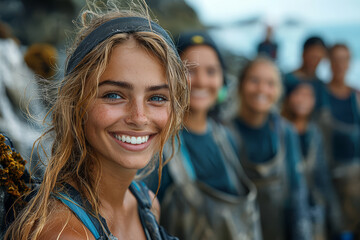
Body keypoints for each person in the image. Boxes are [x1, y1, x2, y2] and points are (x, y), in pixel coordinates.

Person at [4, 0, 189, 239]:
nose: (139, 117)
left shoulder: (146, 203)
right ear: (76, 104)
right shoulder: (64, 233)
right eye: (114, 95)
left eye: (157, 97)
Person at [145, 31, 262, 240]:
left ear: (222, 82)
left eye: (211, 71)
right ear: (170, 76)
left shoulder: (227, 136)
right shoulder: (158, 148)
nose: (201, 81)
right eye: (190, 70)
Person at [230, 57, 312, 240]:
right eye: (254, 81)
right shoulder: (224, 132)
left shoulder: (286, 132)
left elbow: (297, 192)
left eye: (270, 83)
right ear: (241, 84)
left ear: (278, 91)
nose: (262, 89)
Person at [281, 82, 344, 239]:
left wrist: (334, 216)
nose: (303, 99)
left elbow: (322, 176)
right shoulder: (278, 129)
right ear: (288, 97)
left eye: (308, 96)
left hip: (312, 210)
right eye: (298, 94)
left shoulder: (315, 133)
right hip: (282, 209)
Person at [319, 43, 360, 239]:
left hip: (356, 180)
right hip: (329, 178)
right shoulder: (320, 94)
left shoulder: (356, 96)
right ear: (328, 62)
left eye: (344, 59)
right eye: (335, 59)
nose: (340, 64)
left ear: (350, 63)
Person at [284, 36, 327, 113]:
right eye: (312, 56)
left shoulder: (320, 85)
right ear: (303, 53)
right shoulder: (287, 79)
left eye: (318, 58)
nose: (314, 62)